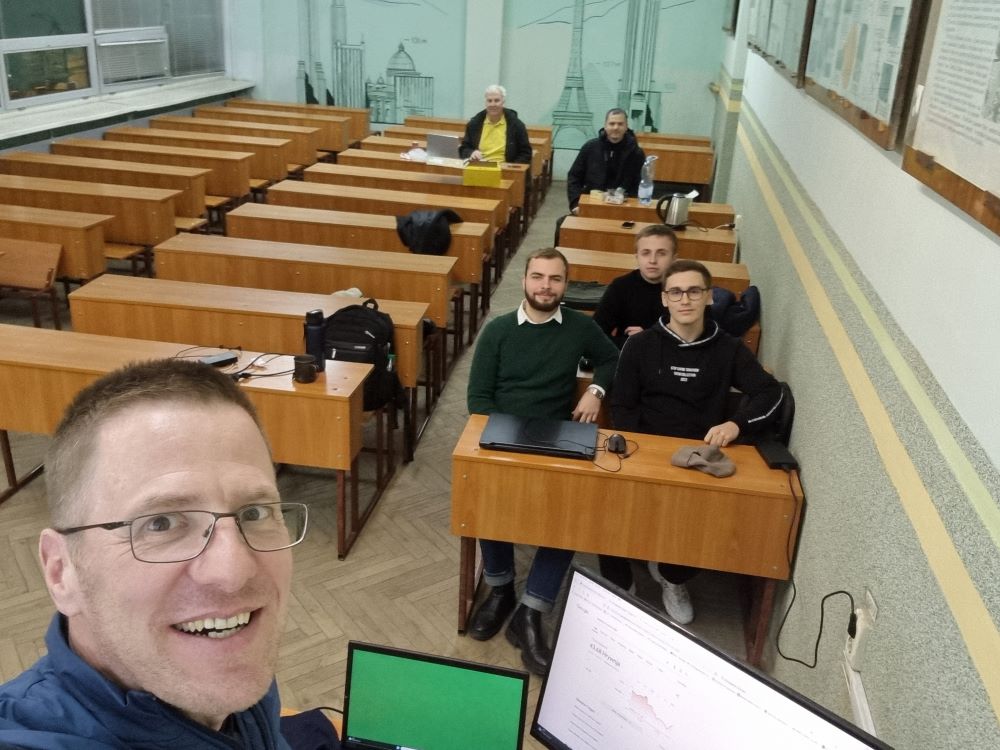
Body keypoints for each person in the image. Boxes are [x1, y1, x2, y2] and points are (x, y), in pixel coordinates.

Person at [0, 359, 314, 749]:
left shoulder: (221, 646)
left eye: (254, 513)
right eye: (161, 523)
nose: (234, 571)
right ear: (61, 571)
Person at [467, 248, 618, 675]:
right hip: (504, 435)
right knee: (485, 503)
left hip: (555, 438)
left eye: (555, 279)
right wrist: (501, 441)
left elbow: (611, 358)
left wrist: (596, 391)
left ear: (565, 285)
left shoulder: (578, 327)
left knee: (568, 517)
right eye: (538, 277)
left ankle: (531, 610)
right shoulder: (498, 331)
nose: (545, 287)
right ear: (525, 280)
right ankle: (500, 589)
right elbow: (477, 399)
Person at [606, 259, 783, 624]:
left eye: (693, 291)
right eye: (675, 292)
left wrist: (736, 424)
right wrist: (642, 450)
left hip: (699, 457)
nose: (684, 299)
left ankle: (672, 577)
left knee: (703, 524)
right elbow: (621, 403)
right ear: (664, 299)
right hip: (646, 451)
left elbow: (770, 392)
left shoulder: (728, 348)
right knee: (608, 506)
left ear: (708, 296)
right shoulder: (639, 345)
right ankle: (620, 582)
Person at [593, 224, 677, 348]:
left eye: (661, 253)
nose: (652, 260)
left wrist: (649, 340)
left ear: (674, 258)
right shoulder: (620, 287)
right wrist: (634, 343)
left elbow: (691, 340)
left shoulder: (683, 290)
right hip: (628, 354)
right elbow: (595, 336)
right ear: (637, 257)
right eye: (645, 253)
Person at [566, 108, 646, 213]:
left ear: (626, 127)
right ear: (605, 126)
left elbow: (641, 183)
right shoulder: (590, 147)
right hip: (591, 204)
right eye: (612, 123)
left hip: (624, 207)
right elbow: (574, 176)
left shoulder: (636, 153)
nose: (616, 127)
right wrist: (575, 203)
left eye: (620, 124)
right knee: (562, 222)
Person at [459, 84, 532, 165]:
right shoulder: (474, 124)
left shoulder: (516, 125)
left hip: (505, 169)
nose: (493, 104)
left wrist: (511, 167)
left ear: (503, 102)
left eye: (496, 100)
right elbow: (464, 149)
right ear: (485, 103)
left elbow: (526, 153)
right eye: (489, 101)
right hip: (480, 167)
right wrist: (471, 153)